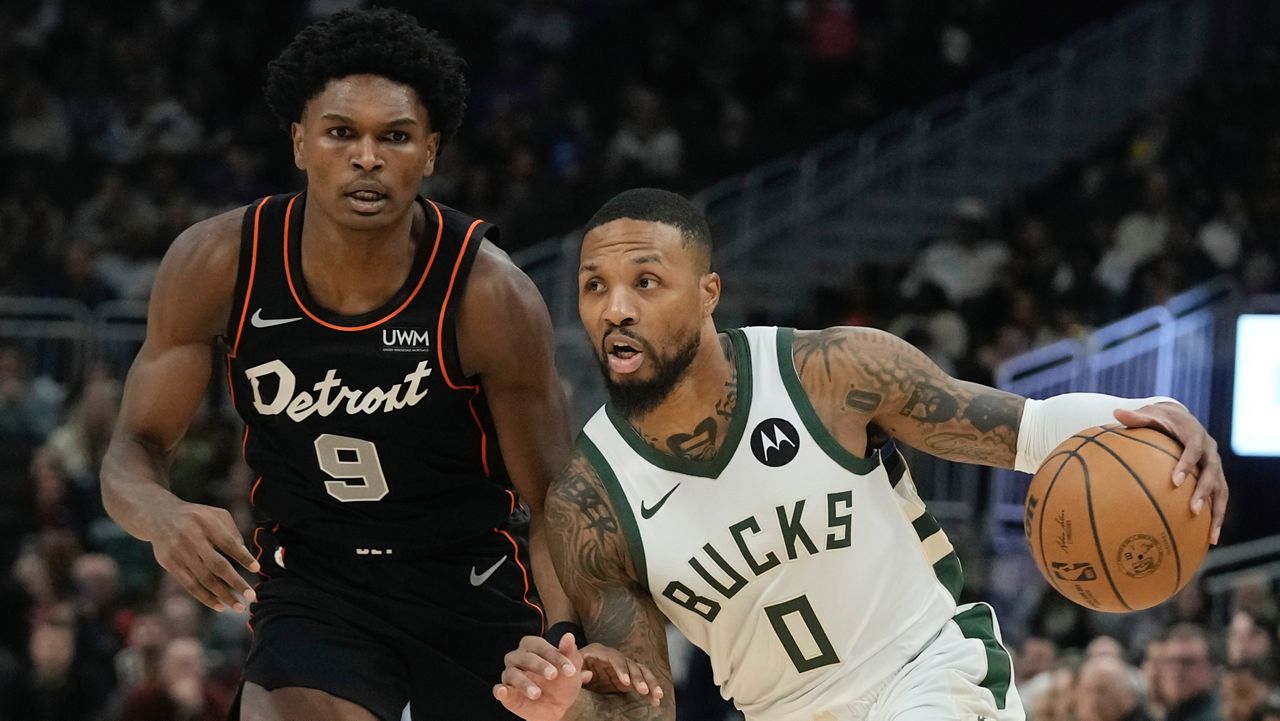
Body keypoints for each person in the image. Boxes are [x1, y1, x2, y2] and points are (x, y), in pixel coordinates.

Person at [491, 188, 1229, 720]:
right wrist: (571, 707)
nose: (615, 307)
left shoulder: (831, 372)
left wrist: (1152, 423)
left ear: (709, 292)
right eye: (595, 287)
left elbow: (1026, 429)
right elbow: (646, 701)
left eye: (645, 282)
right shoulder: (589, 498)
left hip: (931, 672)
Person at [100, 9, 649, 721]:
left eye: (393, 136)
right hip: (318, 583)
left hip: (469, 579)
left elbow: (552, 502)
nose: (367, 157)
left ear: (430, 152)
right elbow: (129, 450)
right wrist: (161, 513)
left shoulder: (489, 295)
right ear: (300, 141)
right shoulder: (217, 263)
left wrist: (566, 639)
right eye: (340, 133)